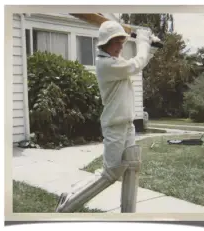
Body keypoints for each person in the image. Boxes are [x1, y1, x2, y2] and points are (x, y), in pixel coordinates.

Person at [55, 20, 160, 213]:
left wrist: (150, 48)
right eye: (117, 42)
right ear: (105, 43)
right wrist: (144, 41)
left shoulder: (116, 62)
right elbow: (137, 64)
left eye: (122, 41)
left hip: (127, 124)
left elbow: (139, 63)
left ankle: (128, 216)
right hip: (115, 125)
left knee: (132, 167)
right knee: (110, 173)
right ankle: (67, 205)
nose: (121, 46)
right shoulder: (106, 64)